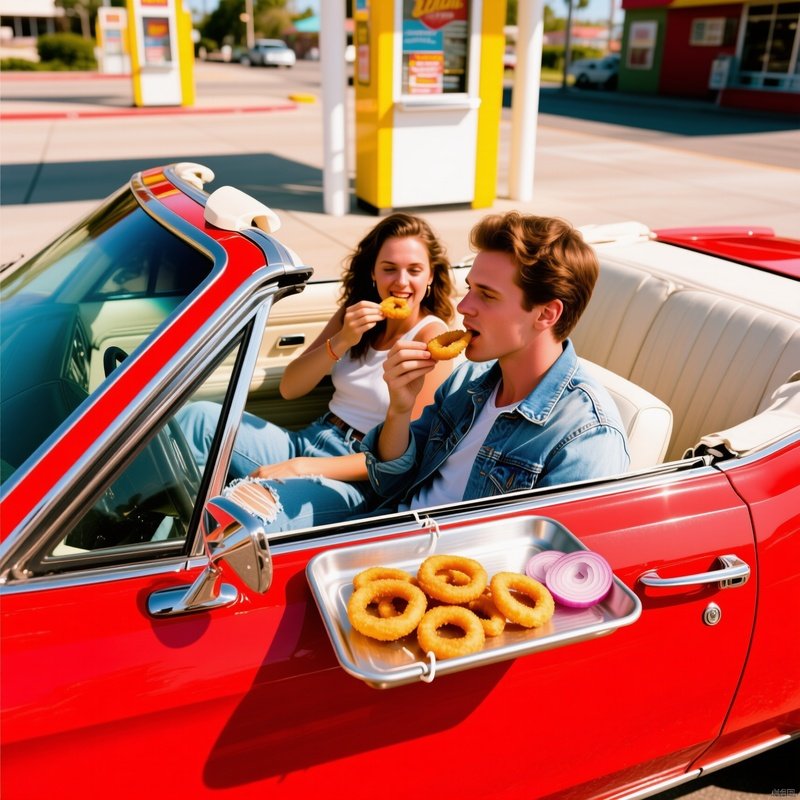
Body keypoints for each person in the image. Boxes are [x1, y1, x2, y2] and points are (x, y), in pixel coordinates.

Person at [223, 211, 630, 531]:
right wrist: (399, 409)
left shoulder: (586, 436)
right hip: (386, 524)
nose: (465, 306)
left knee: (245, 523)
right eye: (469, 288)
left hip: (432, 569)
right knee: (231, 508)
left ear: (546, 314)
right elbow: (391, 479)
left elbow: (556, 568)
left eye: (486, 295)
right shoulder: (468, 384)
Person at [178, 212, 454, 485]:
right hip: (314, 436)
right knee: (198, 418)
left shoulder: (431, 339)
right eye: (389, 268)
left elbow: (407, 452)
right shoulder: (355, 315)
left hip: (359, 471)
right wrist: (343, 339)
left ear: (430, 275)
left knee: (258, 504)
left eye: (414, 270)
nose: (401, 281)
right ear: (373, 272)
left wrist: (300, 467)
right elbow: (290, 387)